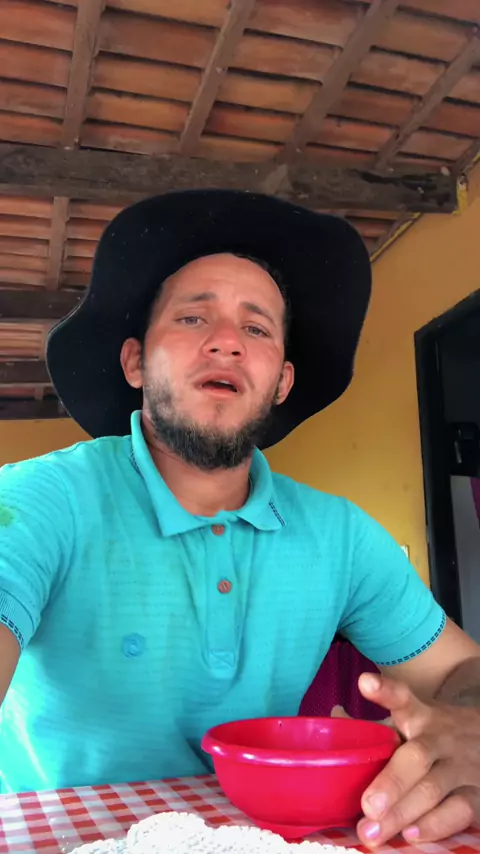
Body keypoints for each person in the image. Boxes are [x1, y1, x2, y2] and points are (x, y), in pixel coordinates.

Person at [0, 190, 479, 848]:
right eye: (193, 318)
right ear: (136, 362)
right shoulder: (40, 498)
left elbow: (459, 671)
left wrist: (466, 728)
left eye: (256, 329)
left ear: (281, 381)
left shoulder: (341, 536)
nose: (226, 341)